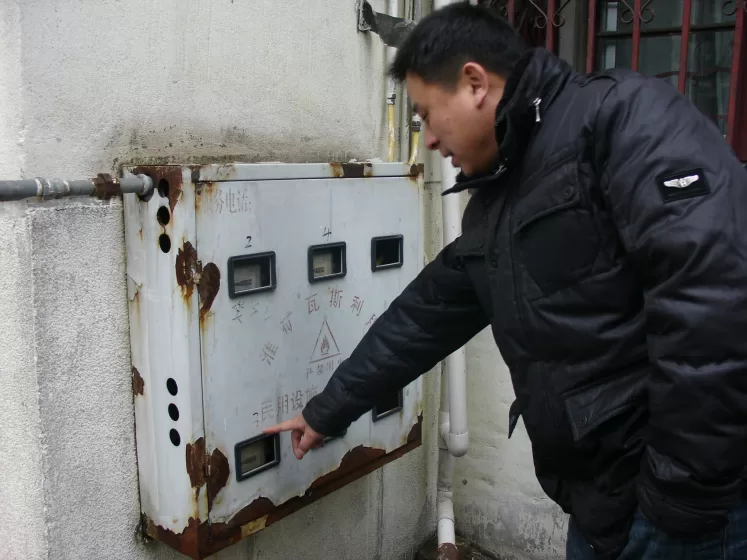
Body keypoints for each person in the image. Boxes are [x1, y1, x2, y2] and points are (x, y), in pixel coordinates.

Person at [264, 3, 747, 558]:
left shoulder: (622, 118)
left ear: (475, 83)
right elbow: (422, 317)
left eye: (426, 115)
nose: (428, 140)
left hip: (687, 512)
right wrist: (327, 411)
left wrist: (677, 499)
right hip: (605, 504)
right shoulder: (498, 202)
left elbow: (713, 306)